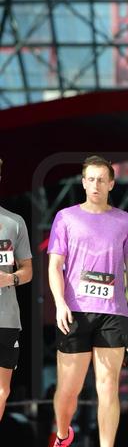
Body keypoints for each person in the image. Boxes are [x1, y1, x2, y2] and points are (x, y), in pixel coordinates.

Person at [47, 155, 128, 447]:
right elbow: (54, 265)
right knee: (69, 390)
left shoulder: (125, 222)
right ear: (83, 182)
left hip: (113, 313)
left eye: (101, 179)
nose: (95, 185)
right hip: (74, 312)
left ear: (111, 184)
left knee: (108, 387)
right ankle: (63, 436)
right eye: (90, 179)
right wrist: (60, 303)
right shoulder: (66, 217)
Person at [0, 158, 33, 425]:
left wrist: (9, 278)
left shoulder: (15, 222)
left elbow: (28, 271)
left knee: (2, 390)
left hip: (7, 319)